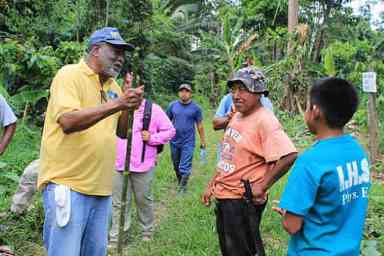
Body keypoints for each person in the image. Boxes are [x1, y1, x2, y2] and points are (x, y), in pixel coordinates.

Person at [37, 27, 143, 256]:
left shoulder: (113, 88)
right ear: (96, 50)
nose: (120, 58)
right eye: (114, 51)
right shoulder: (69, 75)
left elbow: (122, 133)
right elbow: (68, 121)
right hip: (68, 185)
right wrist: (118, 104)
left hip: (101, 190)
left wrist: (127, 105)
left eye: (122, 54)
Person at [202, 67, 297, 256]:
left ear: (258, 92)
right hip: (225, 195)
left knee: (243, 250)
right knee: (230, 248)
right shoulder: (237, 115)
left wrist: (262, 186)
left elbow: (289, 155)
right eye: (233, 89)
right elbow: (229, 153)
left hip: (242, 200)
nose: (236, 95)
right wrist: (213, 182)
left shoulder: (265, 120)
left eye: (243, 89)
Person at [273, 78, 371, 256]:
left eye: (308, 106)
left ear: (315, 111)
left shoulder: (310, 161)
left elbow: (292, 225)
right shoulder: (358, 153)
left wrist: (289, 212)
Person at [109, 73, 175, 244]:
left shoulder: (153, 109)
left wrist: (152, 138)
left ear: (142, 89)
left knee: (143, 199)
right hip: (118, 164)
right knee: (119, 203)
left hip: (143, 165)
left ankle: (147, 230)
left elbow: (170, 130)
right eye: (128, 84)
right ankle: (118, 237)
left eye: (136, 85)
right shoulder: (116, 106)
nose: (132, 89)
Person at [166, 84, 206, 193]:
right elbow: (166, 122)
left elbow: (200, 125)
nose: (184, 93)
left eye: (186, 91)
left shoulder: (196, 108)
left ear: (190, 93)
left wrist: (203, 141)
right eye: (182, 91)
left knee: (184, 166)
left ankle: (183, 189)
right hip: (174, 141)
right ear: (179, 93)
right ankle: (180, 182)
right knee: (176, 164)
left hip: (188, 142)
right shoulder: (172, 106)